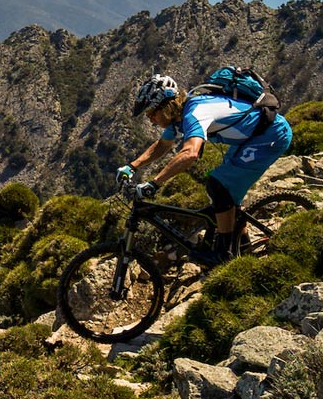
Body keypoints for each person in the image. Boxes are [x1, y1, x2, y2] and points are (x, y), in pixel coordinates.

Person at [116, 71, 295, 262]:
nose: (151, 119)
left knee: (219, 184)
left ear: (166, 106)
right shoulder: (178, 118)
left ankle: (222, 254)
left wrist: (155, 183)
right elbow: (163, 145)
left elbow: (190, 153)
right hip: (251, 138)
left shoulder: (194, 113)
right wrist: (132, 166)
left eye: (152, 113)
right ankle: (244, 247)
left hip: (271, 136)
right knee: (225, 197)